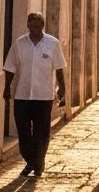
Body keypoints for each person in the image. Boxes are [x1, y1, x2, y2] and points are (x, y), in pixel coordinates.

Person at [4, 12, 66, 178]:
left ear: (43, 26)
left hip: (44, 96)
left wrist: (62, 89)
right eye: (33, 25)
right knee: (23, 133)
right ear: (28, 25)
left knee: (41, 132)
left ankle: (37, 163)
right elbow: (10, 68)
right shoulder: (19, 44)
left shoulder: (53, 44)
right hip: (22, 95)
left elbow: (59, 68)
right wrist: (6, 88)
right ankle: (33, 160)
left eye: (39, 25)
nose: (36, 28)